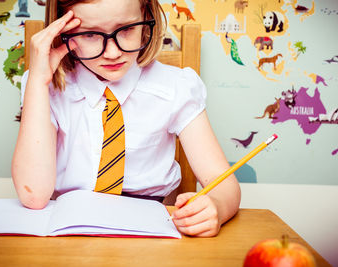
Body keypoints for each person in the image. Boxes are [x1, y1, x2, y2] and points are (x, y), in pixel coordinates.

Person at [12, 0, 241, 237]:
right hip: (69, 233)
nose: (113, 52)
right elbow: (34, 196)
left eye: (127, 29)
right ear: (63, 31)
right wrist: (38, 84)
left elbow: (223, 183)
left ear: (145, 15)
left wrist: (217, 205)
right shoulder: (45, 87)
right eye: (90, 34)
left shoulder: (176, 87)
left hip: (153, 234)